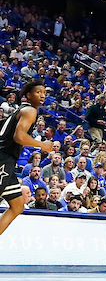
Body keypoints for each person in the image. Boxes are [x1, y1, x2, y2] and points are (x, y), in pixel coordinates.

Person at [0, 80, 55, 238]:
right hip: (3, 158)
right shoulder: (30, 111)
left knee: (17, 206)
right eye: (38, 92)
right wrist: (42, 145)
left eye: (44, 92)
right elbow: (19, 136)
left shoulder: (20, 110)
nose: (43, 95)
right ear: (28, 95)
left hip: (7, 160)